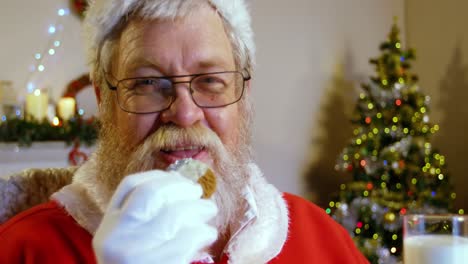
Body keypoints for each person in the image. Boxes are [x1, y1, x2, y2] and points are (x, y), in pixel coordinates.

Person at [0, 0, 369, 263]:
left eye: (210, 81)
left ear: (244, 94)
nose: (185, 113)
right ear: (104, 99)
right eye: (146, 83)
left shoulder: (321, 238)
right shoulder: (25, 248)